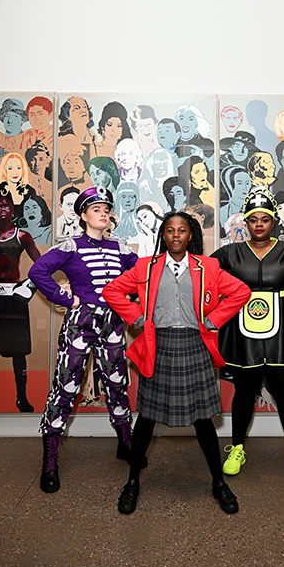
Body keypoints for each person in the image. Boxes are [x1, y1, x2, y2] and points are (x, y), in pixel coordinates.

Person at [103, 212, 251, 514]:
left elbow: (241, 291)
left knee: (202, 419)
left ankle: (218, 483)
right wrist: (136, 318)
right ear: (163, 235)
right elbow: (112, 291)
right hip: (158, 347)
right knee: (146, 417)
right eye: (169, 230)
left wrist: (212, 320)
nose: (175, 235)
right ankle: (132, 482)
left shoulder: (208, 266)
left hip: (196, 346)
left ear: (190, 235)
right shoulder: (146, 267)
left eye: (182, 230)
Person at [210, 188, 284, 492]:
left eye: (265, 219)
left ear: (273, 221)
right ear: (247, 223)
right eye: (254, 220)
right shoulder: (230, 252)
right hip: (243, 331)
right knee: (244, 393)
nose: (260, 225)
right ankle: (237, 447)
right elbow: (205, 277)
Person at [27, 186, 140, 493]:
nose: (103, 214)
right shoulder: (71, 246)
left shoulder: (122, 248)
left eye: (106, 210)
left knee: (117, 383)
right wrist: (65, 297)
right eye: (96, 210)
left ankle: (125, 442)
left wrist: (127, 301)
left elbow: (142, 277)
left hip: (112, 323)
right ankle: (50, 458)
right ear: (83, 215)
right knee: (65, 386)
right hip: (81, 322)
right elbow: (38, 272)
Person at [0, 188, 42, 413]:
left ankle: (21, 398)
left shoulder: (23, 236)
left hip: (14, 299)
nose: (2, 209)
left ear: (12, 210)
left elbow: (41, 266)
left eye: (6, 206)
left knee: (18, 352)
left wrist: (29, 286)